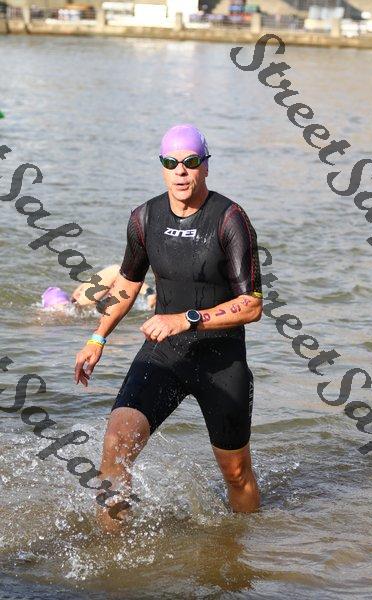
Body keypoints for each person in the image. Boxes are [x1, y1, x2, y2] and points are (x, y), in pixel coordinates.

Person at [74, 124, 263, 531]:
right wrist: (97, 336)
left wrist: (186, 318)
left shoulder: (230, 219)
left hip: (221, 360)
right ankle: (113, 550)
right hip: (164, 354)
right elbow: (127, 285)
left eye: (191, 162)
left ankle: (246, 551)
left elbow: (251, 305)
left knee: (236, 474)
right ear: (161, 166)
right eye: (171, 162)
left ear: (205, 166)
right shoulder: (145, 218)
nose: (181, 171)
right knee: (116, 446)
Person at [41, 264, 156, 311]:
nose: (63, 308)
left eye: (64, 305)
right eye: (59, 306)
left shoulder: (83, 302)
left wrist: (149, 293)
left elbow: (116, 270)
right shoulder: (82, 307)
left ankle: (150, 294)